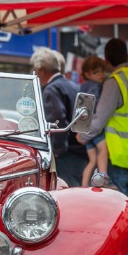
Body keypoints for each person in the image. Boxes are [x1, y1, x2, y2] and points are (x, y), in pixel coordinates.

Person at [78, 39, 128, 255]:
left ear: (107, 59)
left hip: (120, 154)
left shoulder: (116, 81)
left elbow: (100, 117)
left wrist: (83, 137)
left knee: (124, 213)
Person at [31, 47, 86, 187]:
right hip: (80, 151)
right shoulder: (72, 85)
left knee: (67, 193)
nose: (34, 73)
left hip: (67, 155)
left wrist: (57, 151)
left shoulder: (51, 89)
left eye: (35, 70)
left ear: (42, 70)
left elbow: (58, 122)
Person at [78, 56, 110, 186]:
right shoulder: (96, 87)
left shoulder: (83, 87)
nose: (101, 74)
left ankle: (84, 185)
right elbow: (97, 107)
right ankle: (103, 176)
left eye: (102, 71)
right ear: (87, 74)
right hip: (94, 126)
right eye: (97, 72)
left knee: (92, 160)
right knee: (103, 149)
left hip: (85, 126)